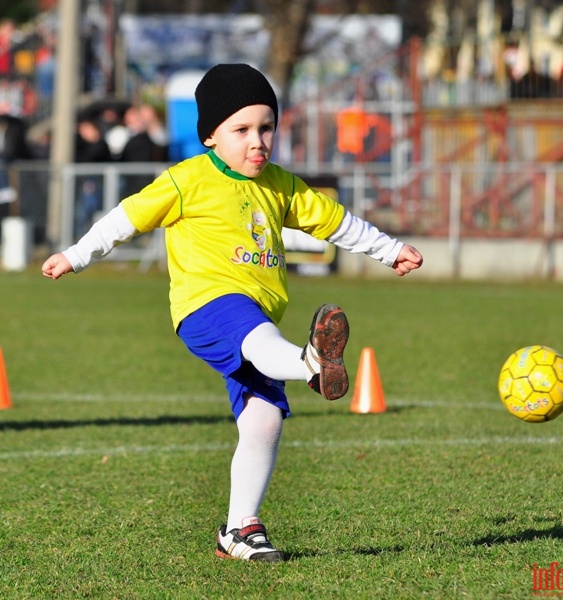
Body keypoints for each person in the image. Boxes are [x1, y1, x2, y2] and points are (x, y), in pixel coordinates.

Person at [42, 63, 423, 562]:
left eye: (266, 128)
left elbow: (337, 224)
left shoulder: (281, 186)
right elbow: (125, 219)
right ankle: (310, 363)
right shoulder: (186, 180)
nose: (257, 141)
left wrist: (390, 250)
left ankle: (240, 530)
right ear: (210, 136)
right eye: (241, 130)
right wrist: (76, 255)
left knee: (264, 420)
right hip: (207, 308)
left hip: (259, 325)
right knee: (256, 335)